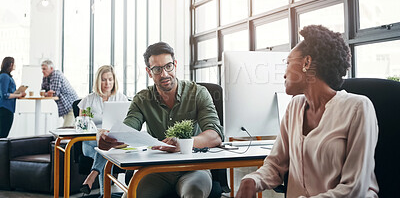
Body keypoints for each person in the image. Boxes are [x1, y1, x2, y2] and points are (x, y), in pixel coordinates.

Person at [236, 25, 379, 198]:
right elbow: (275, 165)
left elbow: (354, 188)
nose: (284, 74)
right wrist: (252, 180)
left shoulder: (357, 108)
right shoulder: (295, 107)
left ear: (306, 63)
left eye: (288, 63)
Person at [98, 42, 224, 198]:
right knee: (130, 196)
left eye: (168, 66)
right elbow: (127, 131)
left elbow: (215, 135)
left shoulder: (198, 93)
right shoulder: (142, 99)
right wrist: (109, 138)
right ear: (149, 72)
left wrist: (183, 143)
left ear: (175, 65)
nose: (164, 74)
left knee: (194, 194)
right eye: (157, 69)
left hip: (194, 167)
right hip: (157, 170)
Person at [78, 65, 128, 195]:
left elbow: (126, 123)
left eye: (110, 79)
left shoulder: (121, 98)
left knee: (106, 149)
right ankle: (104, 195)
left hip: (113, 142)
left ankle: (92, 177)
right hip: (90, 143)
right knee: (104, 151)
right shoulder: (88, 100)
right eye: (104, 80)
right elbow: (81, 125)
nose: (107, 83)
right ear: (98, 81)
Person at [41, 60, 79, 127]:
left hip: (71, 105)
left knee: (67, 129)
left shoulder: (56, 74)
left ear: (51, 68)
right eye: (42, 69)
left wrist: (47, 93)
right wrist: (47, 93)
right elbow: (42, 92)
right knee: (69, 129)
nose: (42, 71)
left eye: (44, 69)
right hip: (65, 107)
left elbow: (54, 93)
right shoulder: (46, 77)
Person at [0, 57, 26, 138]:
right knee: (3, 134)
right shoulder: (4, 76)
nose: (15, 65)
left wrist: (19, 93)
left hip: (8, 108)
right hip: (5, 109)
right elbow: (5, 95)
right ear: (11, 64)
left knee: (4, 133)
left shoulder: (8, 77)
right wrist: (18, 95)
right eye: (14, 63)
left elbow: (9, 93)